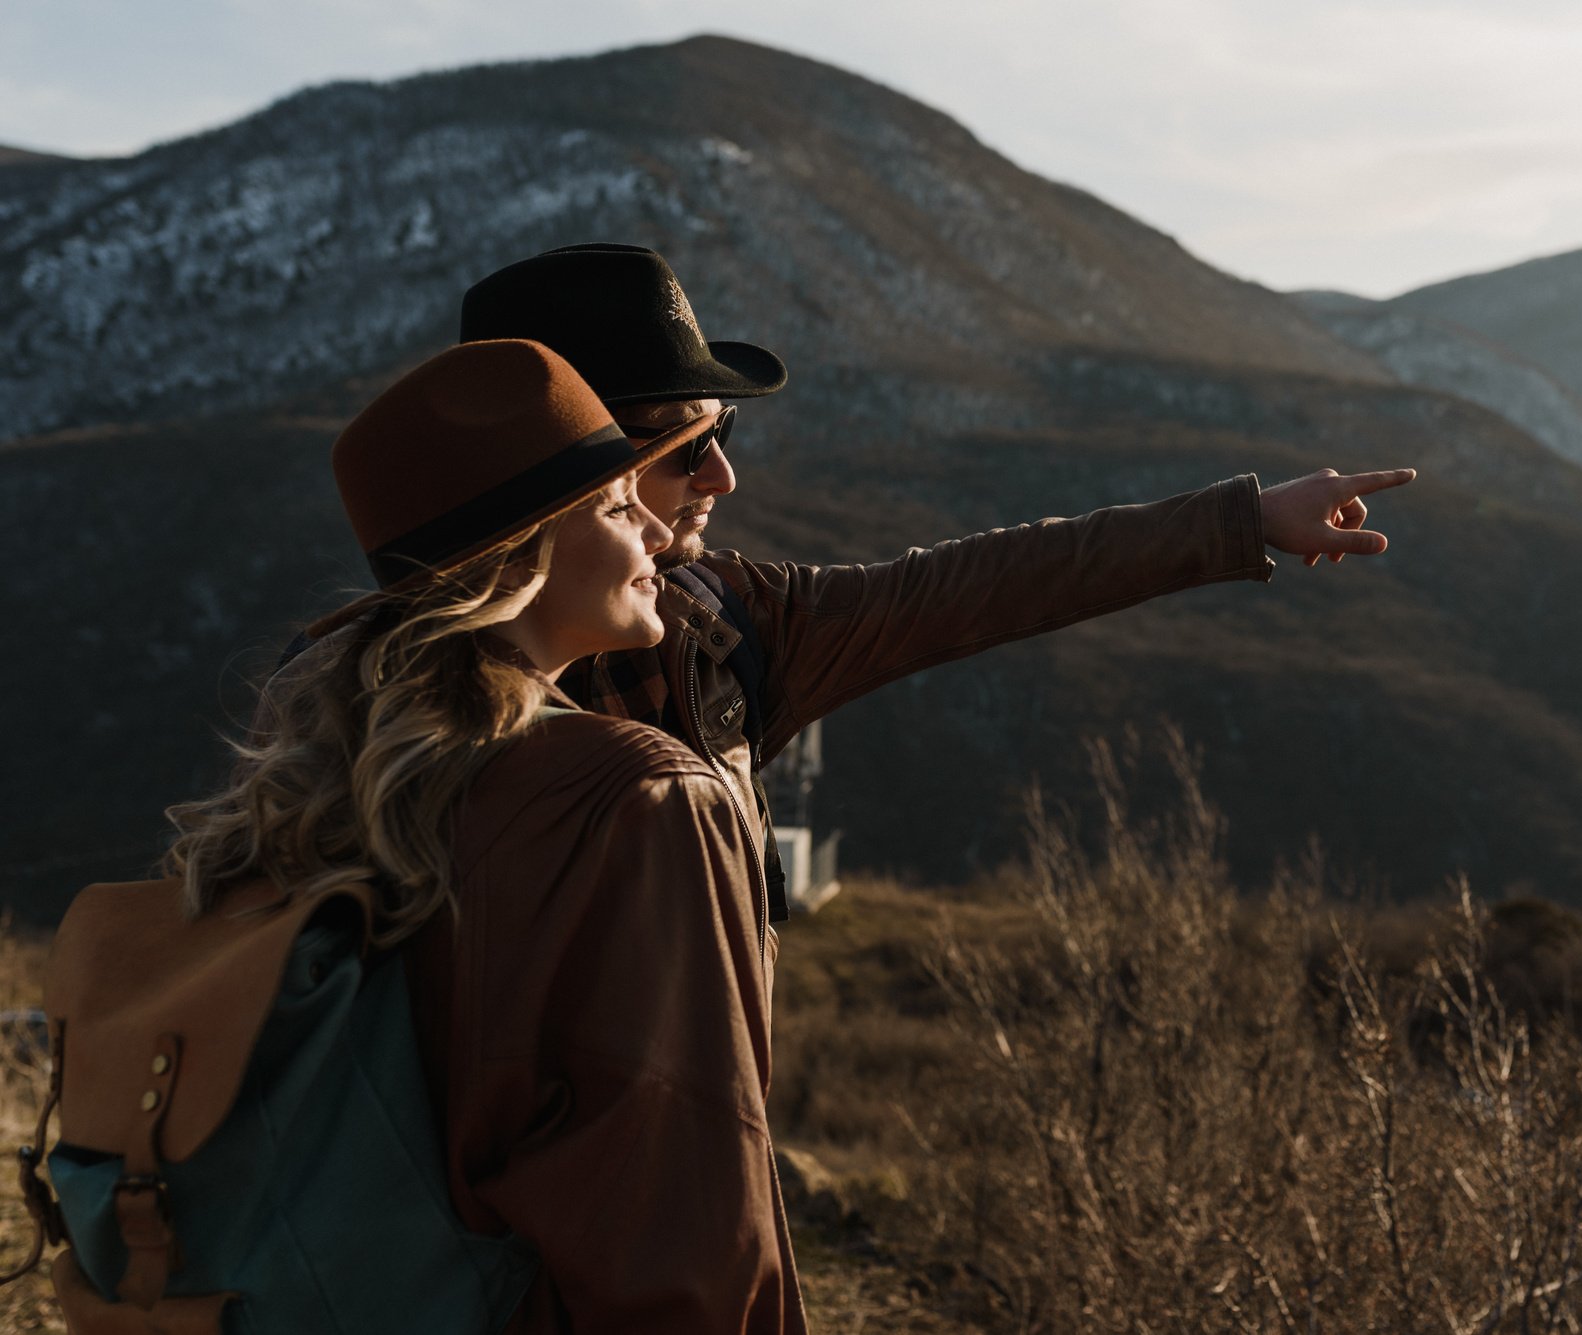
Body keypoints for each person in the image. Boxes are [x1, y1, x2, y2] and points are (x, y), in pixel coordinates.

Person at [454, 244, 1419, 938]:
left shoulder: (727, 624)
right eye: (679, 447)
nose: (720, 479)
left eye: (725, 436)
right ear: (567, 473)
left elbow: (978, 585)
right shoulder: (368, 727)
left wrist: (1239, 521)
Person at [176, 338, 816, 1331]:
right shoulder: (641, 799)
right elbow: (687, 1229)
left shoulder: (331, 780)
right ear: (531, 547)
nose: (655, 529)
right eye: (615, 503)